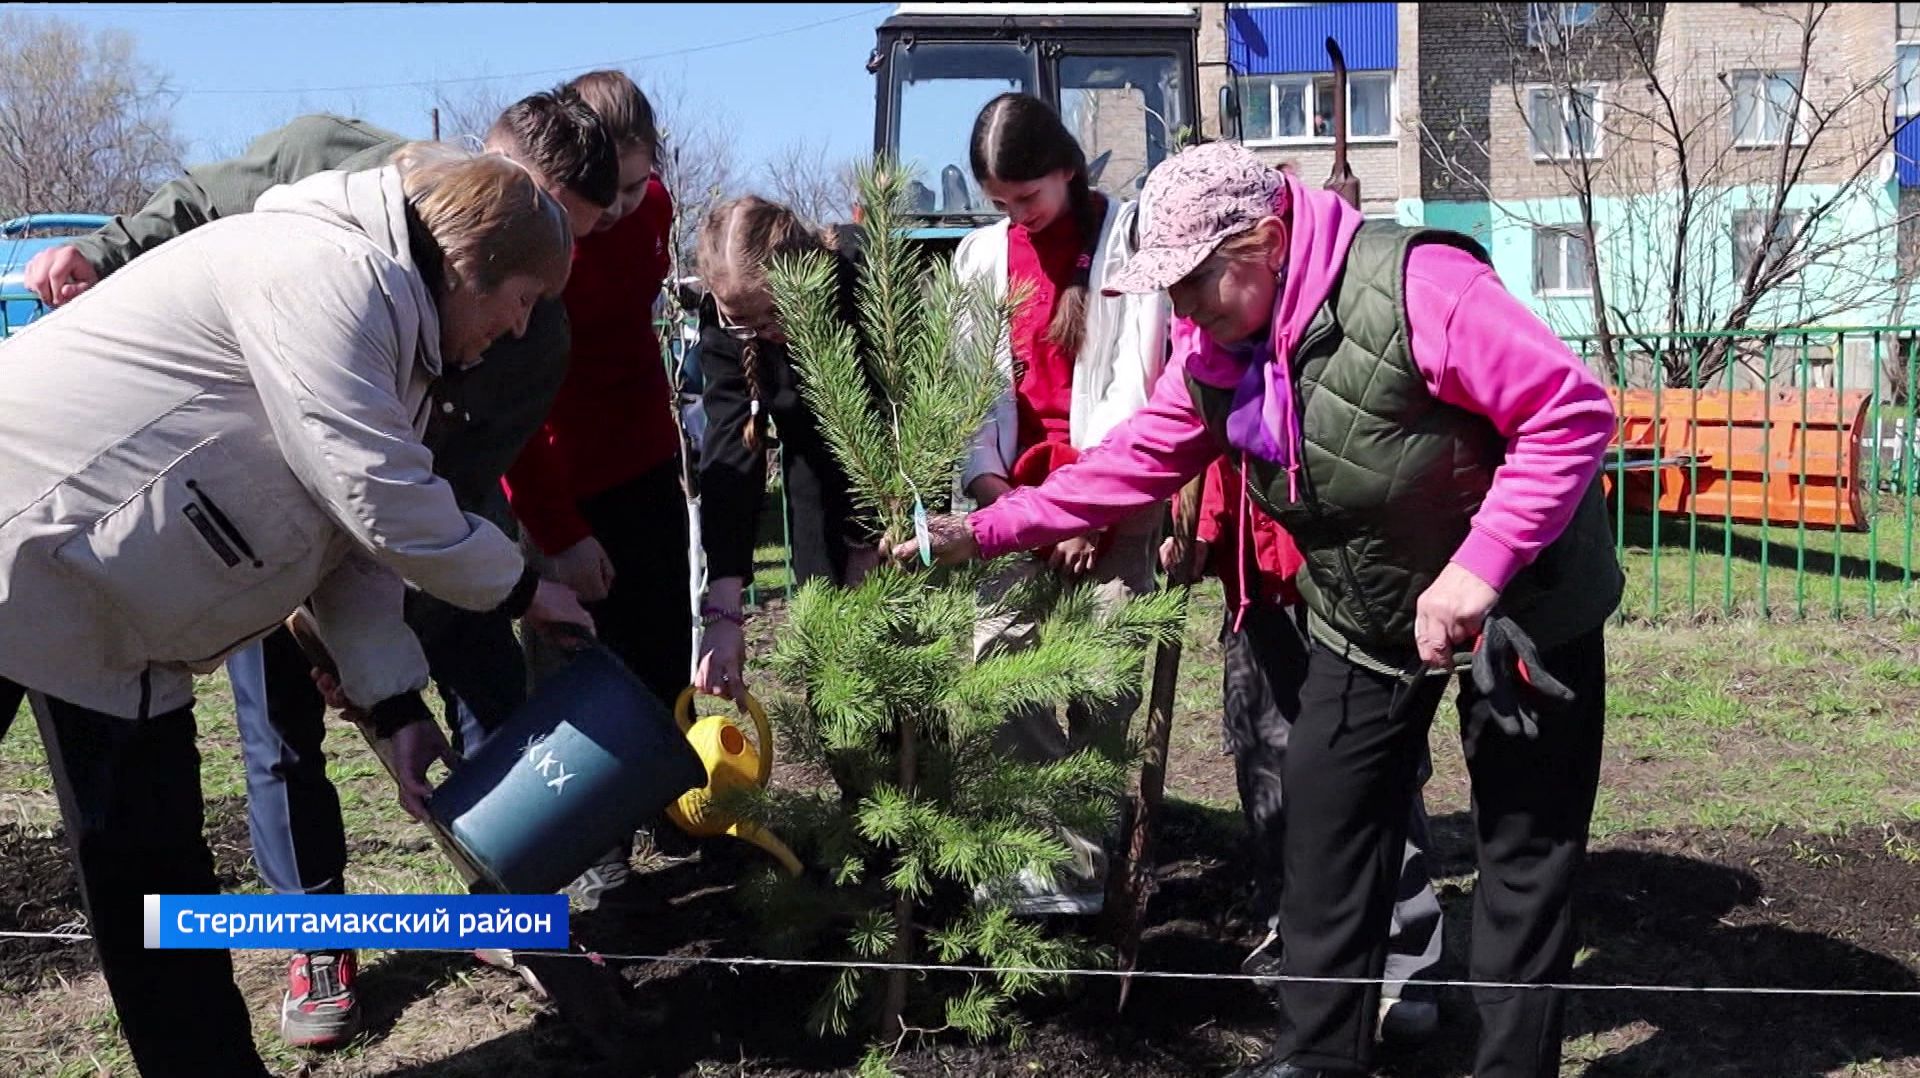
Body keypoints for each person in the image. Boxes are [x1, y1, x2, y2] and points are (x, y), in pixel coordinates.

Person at [898, 141, 1621, 1078]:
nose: (1181, 309)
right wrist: (989, 529)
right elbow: (1131, 463)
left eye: (1193, 283)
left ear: (1269, 241)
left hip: (1526, 597)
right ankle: (1319, 1057)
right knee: (1326, 820)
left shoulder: (1418, 287)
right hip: (1371, 609)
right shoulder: (1221, 348)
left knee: (1523, 846)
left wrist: (1480, 570)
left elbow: (1568, 413)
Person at [20, 88, 620, 1050]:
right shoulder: (328, 273)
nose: (521, 332)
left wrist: (395, 713)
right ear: (472, 266)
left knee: (151, 862)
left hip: (110, 615)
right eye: (520, 304)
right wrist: (521, 585)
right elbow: (382, 500)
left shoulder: (405, 343)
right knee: (148, 851)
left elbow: (346, 548)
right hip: (25, 545)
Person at [950, 92, 1171, 915]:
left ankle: (1082, 861)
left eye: (1028, 198)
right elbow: (969, 395)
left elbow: (1134, 388)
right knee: (1000, 662)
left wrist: (1088, 514)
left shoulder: (1128, 243)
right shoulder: (978, 262)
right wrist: (994, 493)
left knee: (1104, 677)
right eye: (1000, 203)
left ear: (1067, 170)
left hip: (1112, 497)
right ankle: (1021, 855)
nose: (1017, 217)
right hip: (1012, 501)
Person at [1164, 452, 1443, 1043]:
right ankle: (1292, 930)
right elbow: (1208, 443)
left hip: (1354, 584)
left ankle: (1403, 957)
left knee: (1372, 765)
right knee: (1267, 759)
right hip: (1257, 585)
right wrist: (1206, 535)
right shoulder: (1216, 358)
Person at [500, 70, 690, 910]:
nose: (615, 210)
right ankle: (592, 844)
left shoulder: (654, 210)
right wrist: (559, 530)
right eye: (603, 192)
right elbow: (516, 410)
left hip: (645, 455)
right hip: (561, 471)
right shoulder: (547, 237)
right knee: (576, 662)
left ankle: (665, 799)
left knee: (658, 641)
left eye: (632, 185)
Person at [690, 196, 878, 701]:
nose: (762, 334)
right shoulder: (724, 322)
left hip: (891, 489)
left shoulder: (861, 281)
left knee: (894, 661)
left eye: (773, 312)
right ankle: (851, 777)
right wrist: (725, 606)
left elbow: (894, 418)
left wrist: (868, 548)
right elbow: (732, 449)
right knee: (831, 671)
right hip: (812, 485)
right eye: (741, 322)